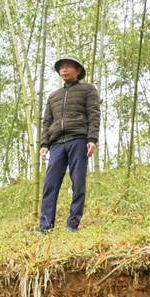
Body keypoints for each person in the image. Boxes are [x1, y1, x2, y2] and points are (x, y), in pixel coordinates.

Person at [39, 54, 100, 234]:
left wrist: (92, 139)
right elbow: (47, 122)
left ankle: (73, 224)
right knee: (51, 184)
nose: (63, 70)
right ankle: (45, 227)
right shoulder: (53, 96)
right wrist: (45, 143)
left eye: (68, 66)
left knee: (78, 183)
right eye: (61, 67)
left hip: (78, 140)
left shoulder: (88, 89)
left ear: (78, 70)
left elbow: (94, 115)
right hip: (57, 143)